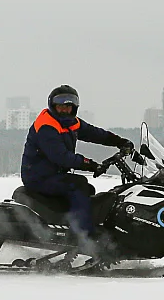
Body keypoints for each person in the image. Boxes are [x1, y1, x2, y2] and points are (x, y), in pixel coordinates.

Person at [21, 85, 134, 241]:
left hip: (52, 174)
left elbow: (95, 133)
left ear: (74, 107)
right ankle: (83, 236)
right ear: (53, 106)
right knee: (78, 185)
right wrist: (88, 164)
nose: (65, 110)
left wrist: (119, 141)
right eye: (60, 106)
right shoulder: (47, 126)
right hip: (38, 176)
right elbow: (60, 156)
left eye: (68, 106)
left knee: (88, 189)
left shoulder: (71, 123)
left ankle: (70, 225)